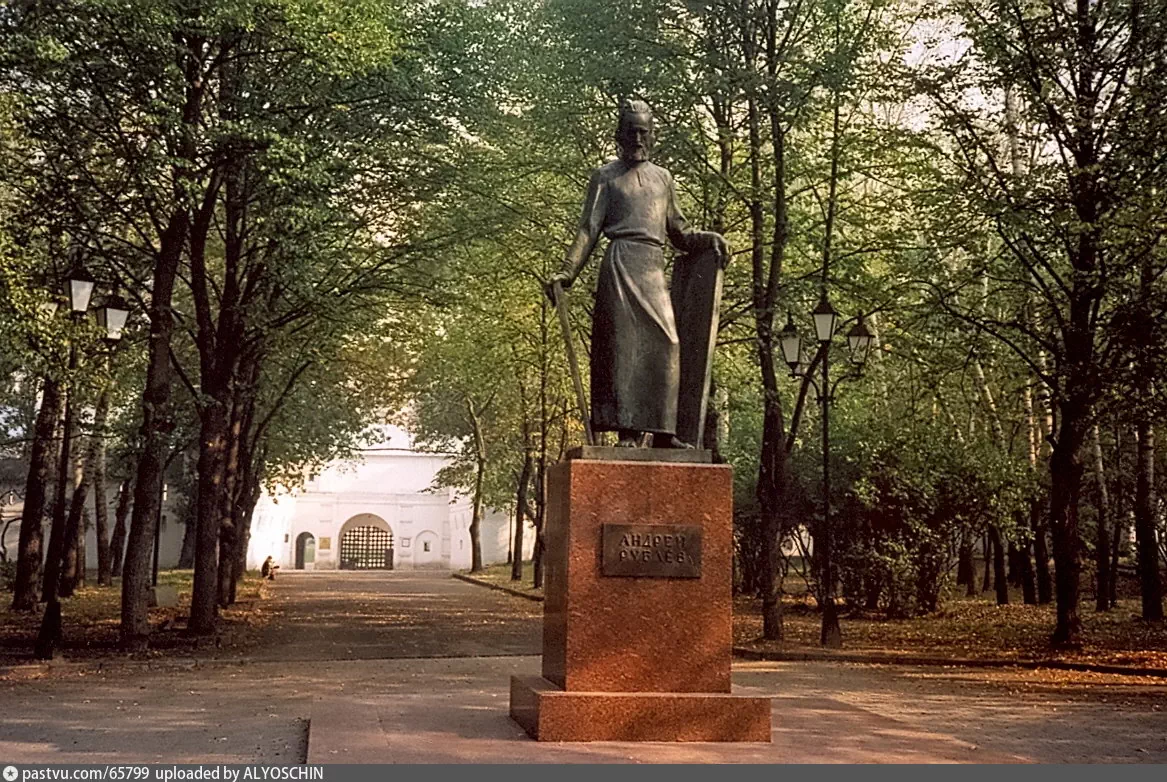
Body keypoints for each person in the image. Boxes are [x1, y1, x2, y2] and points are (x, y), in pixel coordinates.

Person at [546, 100, 728, 448]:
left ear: (653, 135)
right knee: (623, 348)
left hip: (652, 265)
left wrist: (709, 239)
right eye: (632, 132)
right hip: (620, 264)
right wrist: (566, 272)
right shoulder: (605, 177)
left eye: (644, 132)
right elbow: (588, 228)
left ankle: (663, 432)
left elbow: (680, 232)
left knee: (668, 344)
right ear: (620, 135)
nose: (638, 139)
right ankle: (627, 432)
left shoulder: (663, 179)